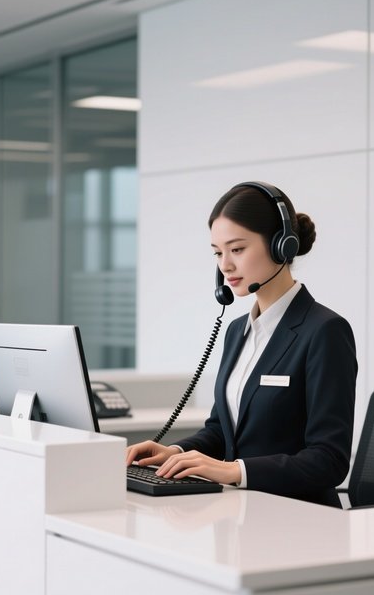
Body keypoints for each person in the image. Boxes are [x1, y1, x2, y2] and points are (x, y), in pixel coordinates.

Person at [125, 181, 357, 507]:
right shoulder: (237, 331)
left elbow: (329, 459)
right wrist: (175, 452)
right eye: (218, 253)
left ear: (281, 246)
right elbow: (222, 431)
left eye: (237, 249)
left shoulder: (325, 331)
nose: (225, 265)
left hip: (298, 519)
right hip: (239, 512)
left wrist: (235, 471)